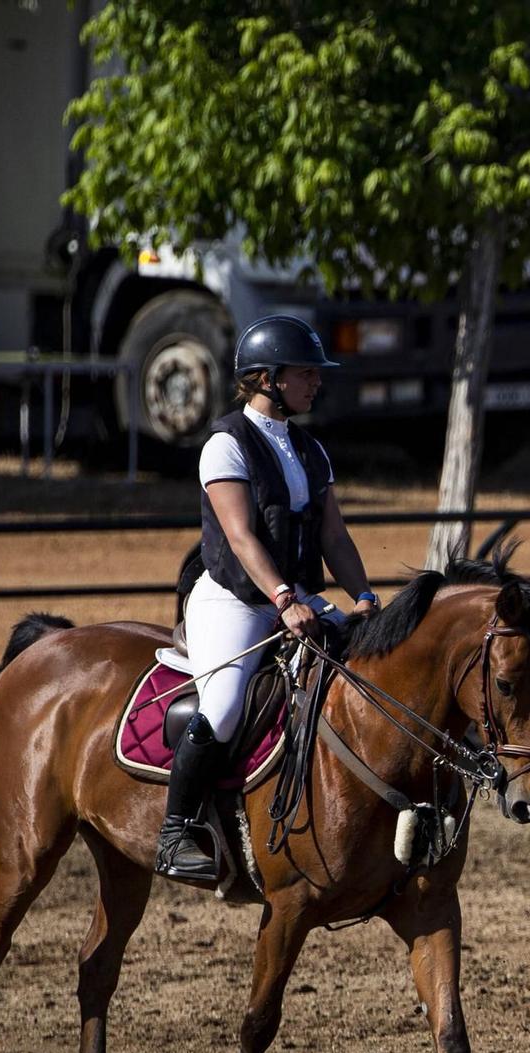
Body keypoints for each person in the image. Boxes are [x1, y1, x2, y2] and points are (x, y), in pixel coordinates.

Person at [155, 314, 380, 883]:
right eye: (305, 373)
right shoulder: (225, 444)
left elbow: (334, 536)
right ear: (266, 378)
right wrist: (283, 598)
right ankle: (176, 830)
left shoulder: (309, 449)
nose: (317, 383)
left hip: (299, 597)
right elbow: (240, 536)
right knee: (227, 704)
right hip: (234, 601)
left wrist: (364, 595)